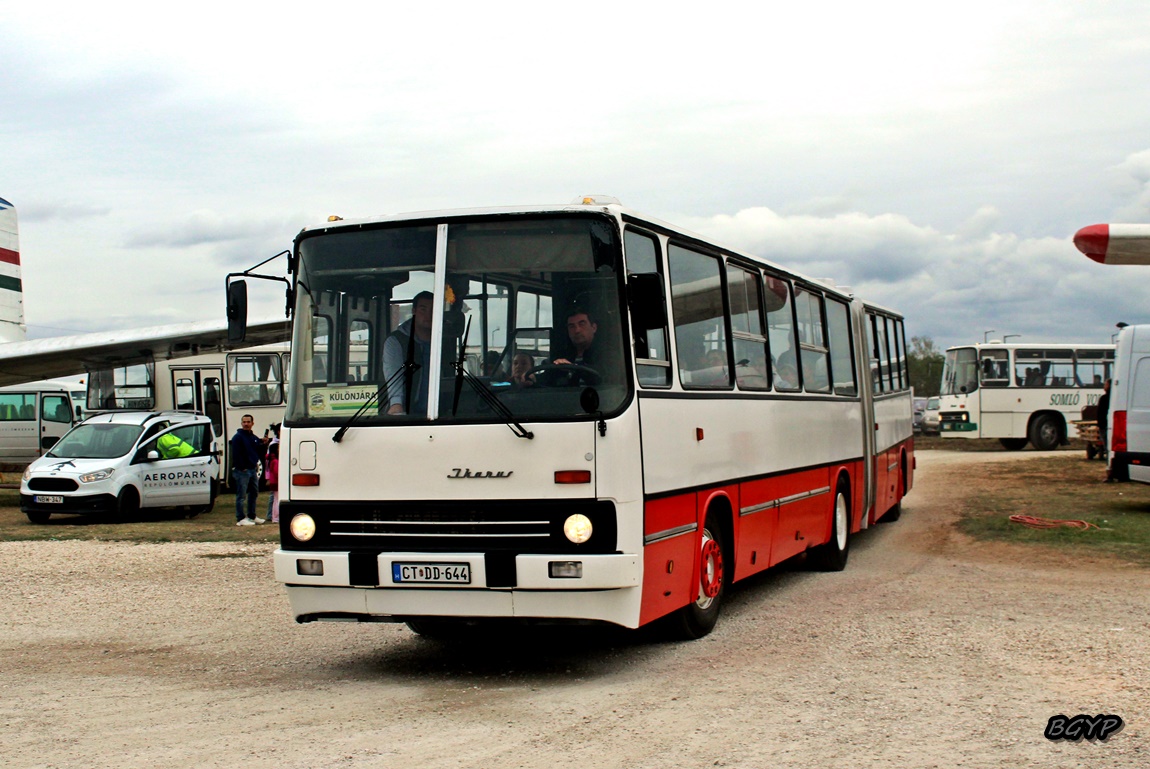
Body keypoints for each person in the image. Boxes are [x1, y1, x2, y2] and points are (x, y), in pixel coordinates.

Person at [382, 291, 434, 415]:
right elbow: (394, 373)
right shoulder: (397, 341)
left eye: (433, 310)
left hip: (440, 414)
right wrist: (396, 404)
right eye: (423, 309)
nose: (429, 315)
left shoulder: (444, 340)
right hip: (409, 415)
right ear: (414, 311)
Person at [231, 414, 268, 525]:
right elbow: (236, 454)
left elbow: (258, 448)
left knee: (254, 493)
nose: (246, 424)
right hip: (243, 471)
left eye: (248, 422)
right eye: (244, 422)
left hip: (252, 470)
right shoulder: (237, 437)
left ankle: (252, 515)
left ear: (252, 423)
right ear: (241, 423)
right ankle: (240, 518)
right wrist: (242, 467)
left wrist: (263, 442)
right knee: (241, 495)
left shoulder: (252, 437)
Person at [1098, 378, 1113, 479]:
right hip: (1109, 426)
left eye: (1105, 384)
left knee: (1108, 449)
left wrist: (1101, 425)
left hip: (1104, 427)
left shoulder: (1104, 398)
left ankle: (1110, 473)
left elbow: (1101, 414)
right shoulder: (1114, 398)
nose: (1104, 386)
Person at [263, 442, 280, 523]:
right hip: (277, 482)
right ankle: (276, 517)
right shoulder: (275, 461)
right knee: (277, 500)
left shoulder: (271, 460)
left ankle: (274, 517)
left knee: (275, 500)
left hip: (273, 482)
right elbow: (277, 472)